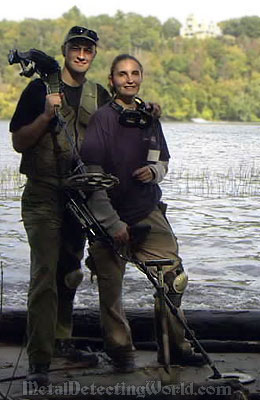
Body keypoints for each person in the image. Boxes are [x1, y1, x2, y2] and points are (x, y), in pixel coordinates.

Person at [80, 54, 205, 371]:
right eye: (122, 74)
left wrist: (154, 171)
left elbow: (161, 159)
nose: (129, 79)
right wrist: (112, 223)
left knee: (173, 278)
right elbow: (92, 177)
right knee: (111, 290)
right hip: (107, 214)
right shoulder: (102, 120)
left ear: (141, 78)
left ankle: (176, 348)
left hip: (147, 209)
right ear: (112, 80)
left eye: (135, 73)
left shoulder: (150, 117)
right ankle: (121, 353)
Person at [9, 26, 112, 385]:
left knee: (69, 272)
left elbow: (119, 125)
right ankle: (39, 359)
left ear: (94, 54)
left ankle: (61, 341)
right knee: (43, 278)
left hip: (78, 196)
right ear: (65, 50)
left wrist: (151, 111)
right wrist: (46, 117)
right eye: (76, 48)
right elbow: (19, 142)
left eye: (88, 49)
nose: (81, 54)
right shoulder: (40, 88)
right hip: (42, 194)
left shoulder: (98, 94)